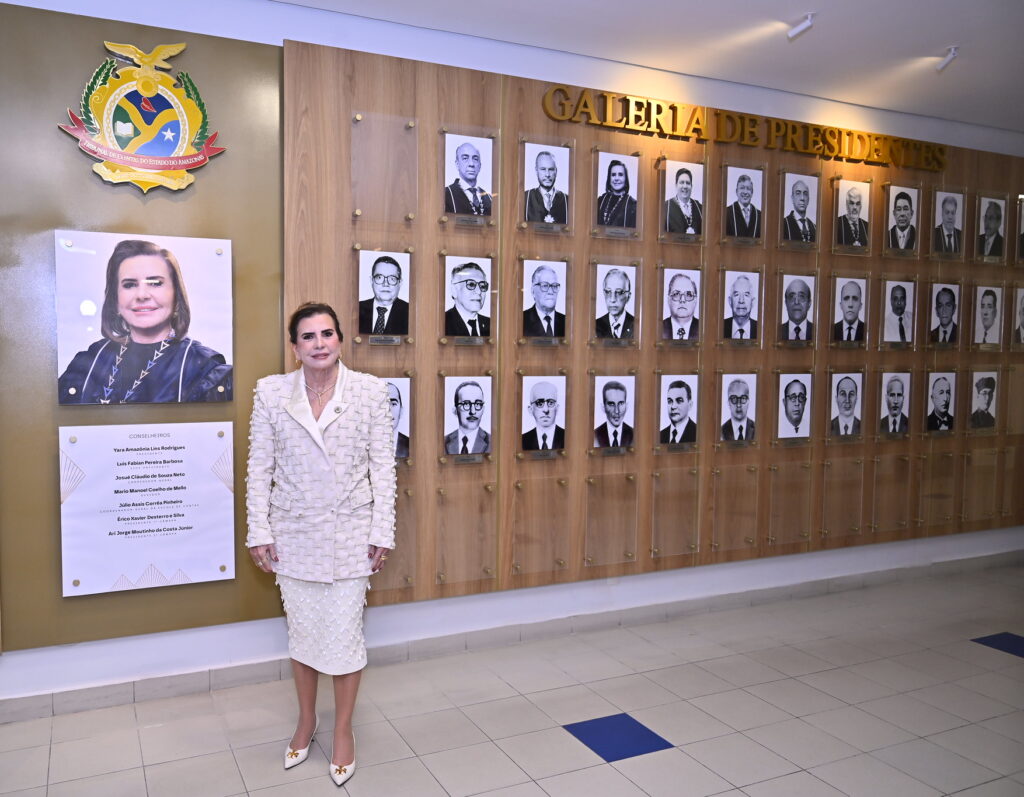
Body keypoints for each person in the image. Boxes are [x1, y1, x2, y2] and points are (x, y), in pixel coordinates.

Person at [246, 302, 394, 788]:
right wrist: (259, 531)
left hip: (351, 534)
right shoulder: (271, 393)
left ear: (340, 340)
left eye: (327, 334)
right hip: (293, 535)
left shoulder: (370, 392)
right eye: (308, 336)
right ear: (295, 347)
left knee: (345, 636)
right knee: (305, 634)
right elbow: (259, 468)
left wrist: (382, 531)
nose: (319, 344)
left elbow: (383, 468)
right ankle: (306, 721)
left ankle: (344, 729)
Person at [58, 239, 232, 405]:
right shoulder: (89, 362)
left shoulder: (204, 368)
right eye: (129, 285)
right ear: (115, 299)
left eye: (155, 283)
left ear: (176, 294)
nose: (142, 295)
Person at [358, 255, 409, 335]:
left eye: (392, 278)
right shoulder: (356, 309)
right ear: (371, 280)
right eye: (379, 277)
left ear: (400, 283)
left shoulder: (410, 312)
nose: (385, 284)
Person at [444, 141, 491, 216]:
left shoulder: (489, 198)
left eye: (475, 159)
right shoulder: (446, 194)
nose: (471, 164)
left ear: (480, 165)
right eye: (465, 158)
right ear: (457, 164)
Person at [444, 262, 491, 337]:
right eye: (471, 284)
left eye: (482, 286)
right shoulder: (442, 323)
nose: (479, 291)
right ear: (454, 290)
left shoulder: (492, 324)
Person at [444, 380, 491, 454]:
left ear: (483, 409)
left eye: (478, 404)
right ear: (455, 410)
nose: (472, 411)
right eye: (466, 404)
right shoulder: (442, 442)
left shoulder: (494, 441)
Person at [524, 150, 568, 224]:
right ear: (536, 171)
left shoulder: (568, 201)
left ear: (556, 171)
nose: (547, 174)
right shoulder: (525, 198)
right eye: (543, 169)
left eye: (551, 169)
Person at [523, 263, 566, 337]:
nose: (550, 291)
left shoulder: (567, 322)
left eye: (554, 286)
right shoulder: (521, 320)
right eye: (545, 285)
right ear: (533, 291)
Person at [522, 381, 564, 450]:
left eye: (551, 403)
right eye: (540, 403)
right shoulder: (522, 440)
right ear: (530, 409)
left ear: (557, 408)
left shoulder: (569, 437)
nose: (546, 410)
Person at [595, 268, 635, 339]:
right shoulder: (595, 325)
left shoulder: (637, 326)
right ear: (604, 293)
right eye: (608, 292)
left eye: (619, 292)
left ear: (628, 297)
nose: (612, 299)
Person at [596, 159, 637, 228]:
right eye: (613, 175)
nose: (616, 178)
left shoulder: (633, 206)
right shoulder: (600, 201)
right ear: (609, 178)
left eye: (620, 175)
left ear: (626, 179)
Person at [594, 380, 633, 447]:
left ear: (626, 406)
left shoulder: (634, 434)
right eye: (611, 404)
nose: (617, 411)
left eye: (621, 403)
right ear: (603, 407)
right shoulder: (594, 435)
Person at [665, 166, 703, 234]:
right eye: (682, 182)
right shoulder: (665, 208)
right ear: (676, 185)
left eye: (688, 183)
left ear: (691, 186)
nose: (685, 186)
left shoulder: (700, 208)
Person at [662, 272, 699, 340]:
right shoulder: (657, 328)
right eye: (676, 294)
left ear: (695, 300)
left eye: (688, 295)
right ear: (669, 299)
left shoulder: (705, 329)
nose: (682, 300)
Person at [725, 173, 761, 238]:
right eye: (742, 188)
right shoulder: (726, 213)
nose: (745, 192)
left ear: (752, 192)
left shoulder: (760, 216)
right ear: (737, 191)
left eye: (748, 188)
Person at [723, 274, 757, 339]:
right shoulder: (719, 327)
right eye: (737, 294)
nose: (741, 300)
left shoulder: (761, 329)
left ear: (752, 302)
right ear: (730, 301)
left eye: (746, 295)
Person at [386, 382, 410, 458]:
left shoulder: (412, 446)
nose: (388, 410)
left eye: (393, 404)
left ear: (401, 411)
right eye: (381, 403)